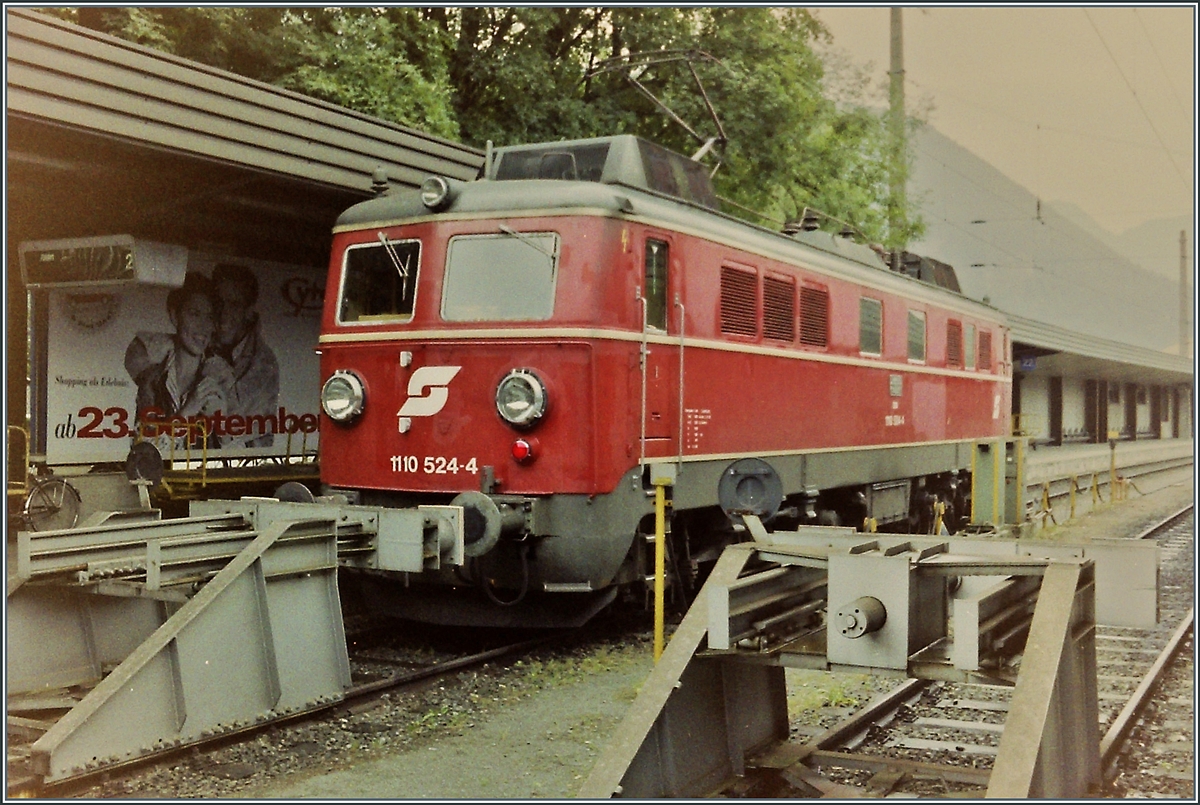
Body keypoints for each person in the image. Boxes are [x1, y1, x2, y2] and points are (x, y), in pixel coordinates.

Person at [125, 271, 233, 449]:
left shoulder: (222, 381)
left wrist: (222, 425)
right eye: (194, 314)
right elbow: (143, 451)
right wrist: (188, 411)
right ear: (175, 317)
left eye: (209, 317)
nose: (203, 327)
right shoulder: (151, 379)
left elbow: (238, 455)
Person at [211, 263, 280, 448]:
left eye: (234, 305)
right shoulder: (206, 339)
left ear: (248, 311)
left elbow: (235, 426)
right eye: (219, 302)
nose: (223, 313)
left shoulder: (263, 364)